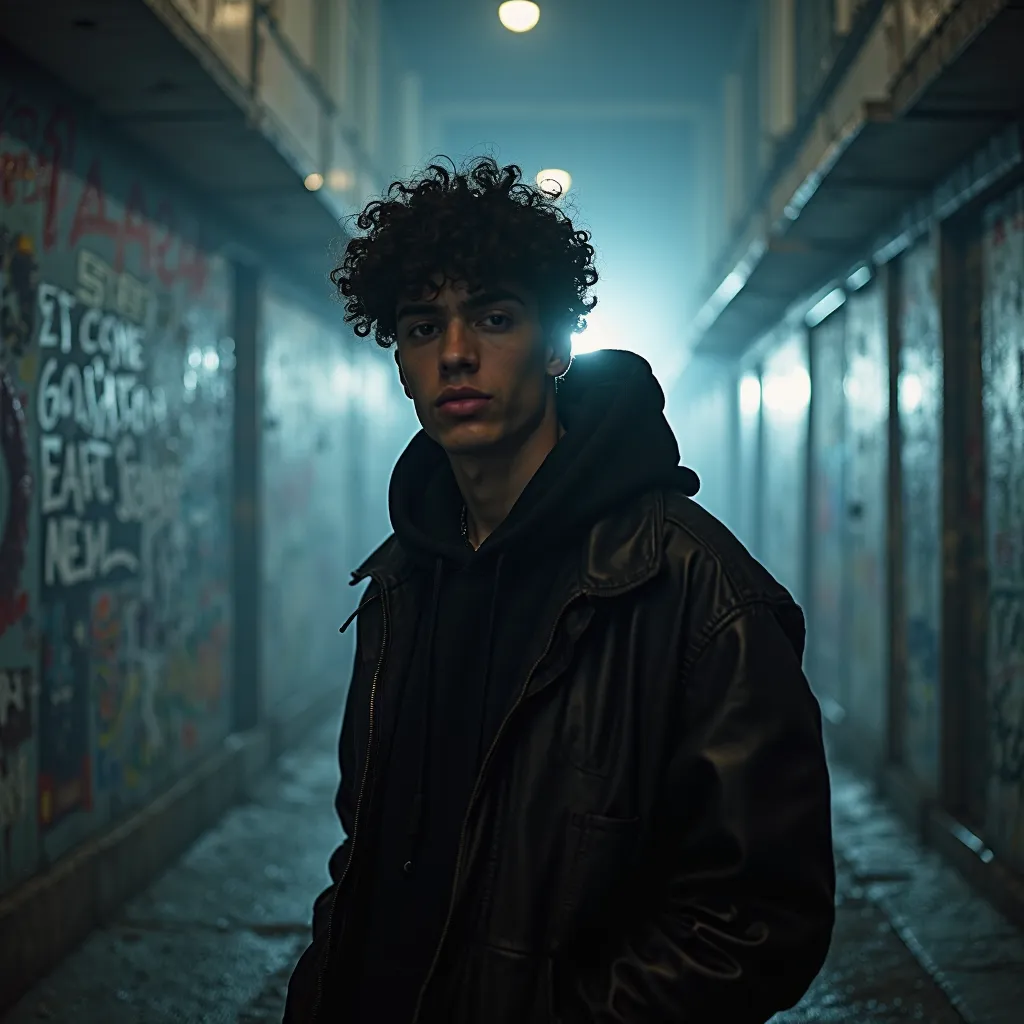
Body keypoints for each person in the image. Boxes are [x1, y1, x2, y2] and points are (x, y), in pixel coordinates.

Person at [284, 157, 835, 1024]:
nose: (456, 354)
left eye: (494, 318)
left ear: (554, 345)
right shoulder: (401, 577)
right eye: (423, 328)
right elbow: (369, 851)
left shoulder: (694, 589)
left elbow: (760, 920)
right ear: (399, 361)